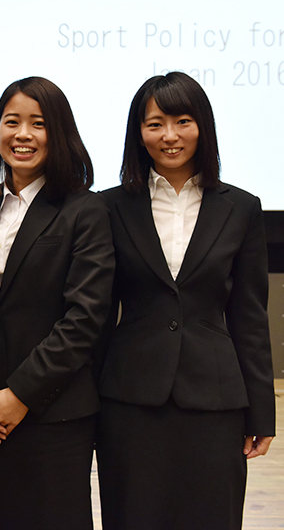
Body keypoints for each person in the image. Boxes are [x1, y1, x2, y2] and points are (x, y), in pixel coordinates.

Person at [96, 71, 276, 530]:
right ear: (138, 133)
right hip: (130, 399)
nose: (169, 136)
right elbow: (95, 315)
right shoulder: (108, 206)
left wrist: (263, 411)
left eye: (183, 121)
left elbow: (250, 316)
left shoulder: (242, 207)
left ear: (204, 127)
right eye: (155, 124)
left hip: (215, 400)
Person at [0, 77, 114, 529]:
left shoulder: (85, 211)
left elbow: (84, 318)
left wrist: (21, 394)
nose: (22, 134)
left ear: (58, 133)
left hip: (54, 416)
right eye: (11, 122)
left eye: (37, 124)